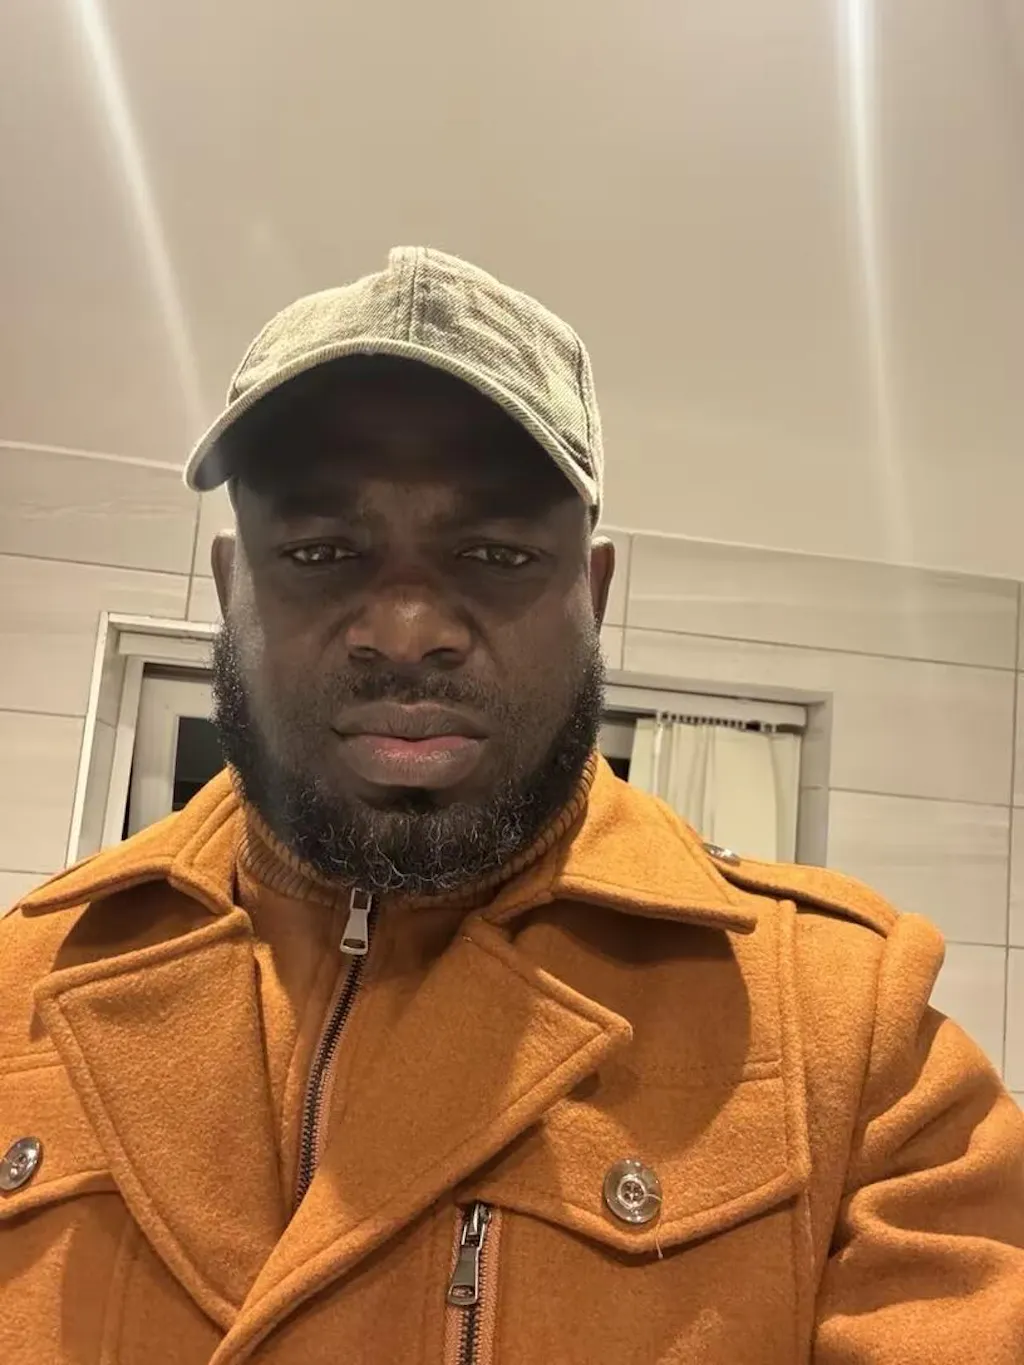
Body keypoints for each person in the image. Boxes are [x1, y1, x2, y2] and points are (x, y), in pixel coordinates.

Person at [1, 247, 1022, 1365]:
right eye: (321, 550)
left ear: (593, 595)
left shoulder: (855, 1035)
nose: (405, 630)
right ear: (232, 586)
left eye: (494, 552)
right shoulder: (20, 984)